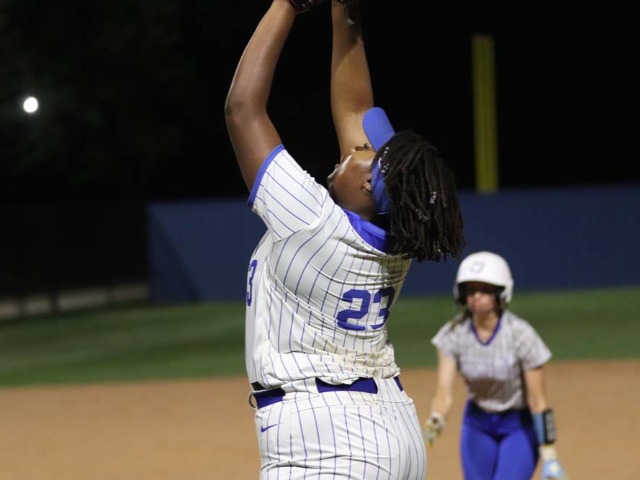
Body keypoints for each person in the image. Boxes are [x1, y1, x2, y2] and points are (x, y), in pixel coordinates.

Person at [224, 0, 465, 477]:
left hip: (327, 443)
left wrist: (287, 5)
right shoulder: (396, 233)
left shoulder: (312, 221)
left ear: (368, 187)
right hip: (389, 429)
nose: (355, 148)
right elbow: (355, 106)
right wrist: (344, 9)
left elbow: (242, 109)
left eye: (364, 152)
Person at [423, 251, 569, 480]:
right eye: (470, 290)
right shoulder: (453, 334)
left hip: (518, 425)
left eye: (485, 290)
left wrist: (549, 453)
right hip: (477, 423)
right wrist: (436, 418)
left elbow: (538, 401)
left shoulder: (521, 334)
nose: (476, 296)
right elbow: (443, 393)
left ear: (501, 293)